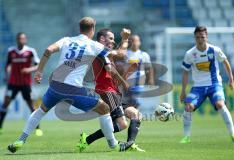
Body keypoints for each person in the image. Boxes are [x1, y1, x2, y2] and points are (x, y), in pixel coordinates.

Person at [7, 17, 133, 153]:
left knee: (40, 111)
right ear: (92, 29)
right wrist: (125, 39)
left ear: (80, 29)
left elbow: (48, 50)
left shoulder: (66, 40)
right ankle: (114, 145)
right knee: (104, 109)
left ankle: (20, 140)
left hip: (55, 86)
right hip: (72, 89)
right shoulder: (93, 45)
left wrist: (39, 71)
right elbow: (120, 54)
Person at [76, 28, 145, 152]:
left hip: (113, 92)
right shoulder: (99, 51)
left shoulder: (107, 56)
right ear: (102, 39)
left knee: (136, 114)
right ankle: (90, 140)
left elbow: (114, 79)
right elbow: (121, 53)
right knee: (122, 124)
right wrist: (124, 38)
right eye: (111, 38)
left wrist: (127, 74)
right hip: (106, 92)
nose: (113, 42)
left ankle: (129, 143)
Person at [180, 26, 234, 143]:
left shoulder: (214, 50)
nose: (200, 39)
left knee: (220, 104)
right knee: (188, 107)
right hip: (198, 87)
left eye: (202, 37)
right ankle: (186, 137)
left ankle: (233, 134)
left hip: (214, 85)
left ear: (206, 37)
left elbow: (225, 62)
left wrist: (231, 80)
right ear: (195, 38)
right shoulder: (190, 54)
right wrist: (183, 90)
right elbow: (185, 72)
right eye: (197, 37)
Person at [0, 33, 43, 136]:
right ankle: (0, 127)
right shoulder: (11, 51)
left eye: (23, 38)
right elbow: (8, 65)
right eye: (19, 38)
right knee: (5, 104)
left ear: (26, 40)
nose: (21, 40)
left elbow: (38, 65)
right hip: (13, 83)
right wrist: (7, 74)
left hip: (26, 84)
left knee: (32, 107)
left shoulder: (30, 51)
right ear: (17, 40)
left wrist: (29, 69)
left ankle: (38, 128)